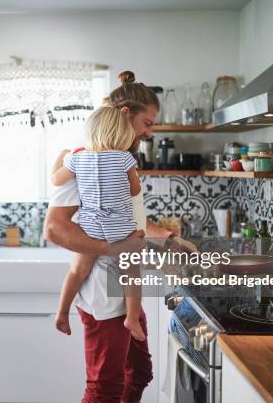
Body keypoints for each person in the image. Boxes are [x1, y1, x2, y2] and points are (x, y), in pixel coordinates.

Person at [44, 70, 197, 403]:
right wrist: (112, 246)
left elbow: (131, 218)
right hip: (103, 295)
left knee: (140, 374)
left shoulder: (120, 158)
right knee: (104, 388)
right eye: (148, 123)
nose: (149, 132)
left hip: (126, 291)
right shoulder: (84, 160)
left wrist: (168, 239)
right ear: (126, 115)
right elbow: (55, 229)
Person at [51, 106, 146, 341]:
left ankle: (62, 313)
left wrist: (59, 159)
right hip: (121, 228)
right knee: (131, 273)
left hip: (91, 226)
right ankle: (132, 318)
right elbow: (135, 189)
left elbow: (55, 179)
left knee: (77, 271)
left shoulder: (76, 158)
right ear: (123, 134)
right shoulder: (125, 158)